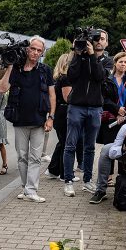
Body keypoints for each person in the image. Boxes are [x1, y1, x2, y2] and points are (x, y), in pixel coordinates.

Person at [0, 37, 55, 203]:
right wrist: (11, 66)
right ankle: (25, 188)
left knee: (35, 158)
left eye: (39, 50)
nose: (35, 53)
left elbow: (52, 95)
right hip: (19, 120)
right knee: (22, 157)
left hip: (38, 121)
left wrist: (51, 117)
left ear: (42, 53)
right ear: (27, 49)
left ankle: (31, 190)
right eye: (33, 49)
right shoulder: (17, 69)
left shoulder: (45, 70)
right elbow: (1, 89)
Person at [62, 33, 108, 196]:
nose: (97, 42)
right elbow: (72, 76)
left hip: (95, 107)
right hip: (76, 106)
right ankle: (68, 181)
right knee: (70, 145)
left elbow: (100, 77)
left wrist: (91, 56)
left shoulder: (105, 60)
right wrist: (77, 54)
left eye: (101, 40)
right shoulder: (77, 56)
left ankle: (87, 181)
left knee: (89, 147)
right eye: (96, 40)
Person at [92, 51, 126, 191]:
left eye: (125, 62)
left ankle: (122, 174)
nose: (123, 64)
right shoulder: (108, 79)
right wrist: (116, 110)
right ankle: (109, 176)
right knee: (110, 146)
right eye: (121, 61)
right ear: (115, 63)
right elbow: (104, 98)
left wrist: (124, 111)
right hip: (110, 118)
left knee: (125, 146)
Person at [44, 53, 81, 181]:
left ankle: (53, 170)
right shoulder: (66, 78)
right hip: (65, 112)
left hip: (60, 112)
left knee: (62, 143)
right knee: (67, 143)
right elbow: (68, 98)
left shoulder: (59, 78)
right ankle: (65, 173)